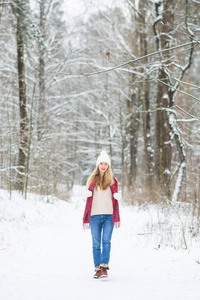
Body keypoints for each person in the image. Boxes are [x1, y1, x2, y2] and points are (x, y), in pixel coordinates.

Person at [83, 151, 120, 279]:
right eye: (101, 163)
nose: (103, 166)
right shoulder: (92, 180)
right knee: (96, 243)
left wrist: (117, 196)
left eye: (105, 164)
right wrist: (85, 195)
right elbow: (86, 197)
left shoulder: (113, 181)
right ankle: (97, 269)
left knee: (106, 241)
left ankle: (104, 267)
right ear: (98, 165)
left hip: (109, 216)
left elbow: (116, 197)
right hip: (94, 216)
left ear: (108, 166)